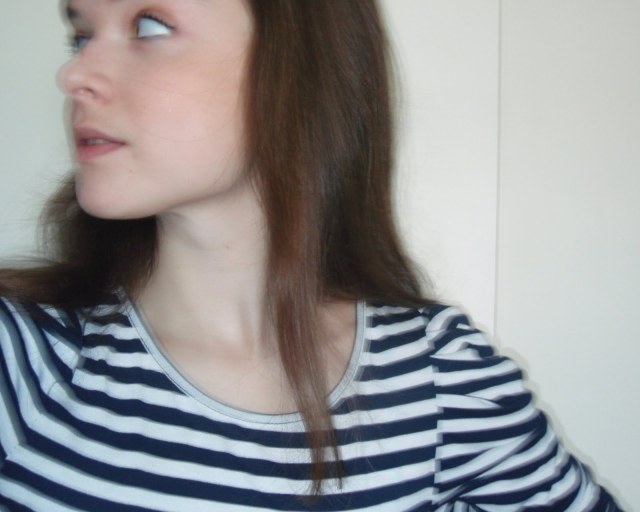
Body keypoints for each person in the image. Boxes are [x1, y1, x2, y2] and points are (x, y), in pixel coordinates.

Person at [0, 1, 622, 510]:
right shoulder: (24, 359)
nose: (73, 75)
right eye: (81, 36)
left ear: (300, 70)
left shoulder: (442, 381)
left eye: (150, 26)